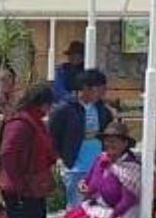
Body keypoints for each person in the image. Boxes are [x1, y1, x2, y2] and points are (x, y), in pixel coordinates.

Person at [0, 85, 58, 218]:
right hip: (19, 187)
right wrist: (17, 181)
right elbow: (7, 153)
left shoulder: (34, 122)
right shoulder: (21, 123)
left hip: (32, 187)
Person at [48, 68, 113, 203]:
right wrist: (61, 158)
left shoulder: (102, 109)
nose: (102, 93)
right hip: (76, 165)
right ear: (85, 88)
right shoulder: (65, 109)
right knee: (77, 206)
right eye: (98, 89)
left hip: (99, 164)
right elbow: (53, 135)